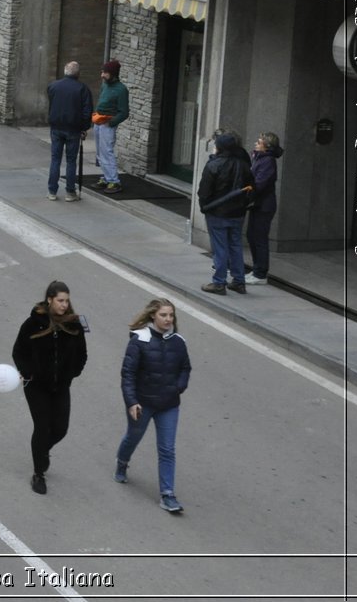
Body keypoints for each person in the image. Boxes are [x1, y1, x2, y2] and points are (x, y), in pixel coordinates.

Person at [11, 279, 88, 495]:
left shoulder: (74, 325)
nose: (64, 305)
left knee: (60, 429)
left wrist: (73, 372)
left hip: (61, 386)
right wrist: (29, 373)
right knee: (42, 427)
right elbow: (18, 352)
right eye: (60, 300)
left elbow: (82, 354)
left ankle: (42, 451)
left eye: (67, 300)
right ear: (50, 300)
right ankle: (38, 473)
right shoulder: (33, 324)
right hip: (37, 386)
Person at [115, 298, 191, 514]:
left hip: (168, 405)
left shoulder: (179, 342)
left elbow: (185, 368)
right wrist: (132, 402)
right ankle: (122, 462)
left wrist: (178, 387)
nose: (168, 319)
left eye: (171, 315)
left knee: (167, 449)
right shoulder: (139, 340)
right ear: (152, 316)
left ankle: (167, 495)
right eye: (163, 315)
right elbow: (127, 374)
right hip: (143, 403)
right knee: (133, 437)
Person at [197, 129, 254, 294]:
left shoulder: (214, 165)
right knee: (235, 245)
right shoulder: (244, 165)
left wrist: (205, 206)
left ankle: (219, 282)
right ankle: (238, 280)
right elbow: (251, 189)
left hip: (217, 212)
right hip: (238, 213)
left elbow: (204, 191)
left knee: (220, 247)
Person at [46, 62, 94, 201]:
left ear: (65, 71)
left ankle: (52, 191)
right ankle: (70, 192)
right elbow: (87, 111)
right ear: (78, 73)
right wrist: (84, 128)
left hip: (56, 127)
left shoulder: (53, 86)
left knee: (55, 159)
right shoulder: (82, 89)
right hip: (73, 129)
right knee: (71, 161)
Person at [244, 131, 283, 284]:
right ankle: (256, 269)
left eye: (259, 141)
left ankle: (260, 274)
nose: (256, 143)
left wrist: (246, 192)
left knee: (259, 238)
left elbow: (259, 184)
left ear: (266, 146)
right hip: (258, 204)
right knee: (251, 236)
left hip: (264, 206)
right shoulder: (259, 157)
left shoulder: (268, 161)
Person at [92, 60, 130, 193]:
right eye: (102, 72)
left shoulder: (121, 90)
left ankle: (114, 181)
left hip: (107, 123)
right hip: (98, 121)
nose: (102, 75)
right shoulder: (105, 86)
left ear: (113, 74)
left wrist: (111, 122)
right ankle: (107, 178)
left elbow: (124, 112)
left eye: (105, 72)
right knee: (99, 153)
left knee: (106, 151)